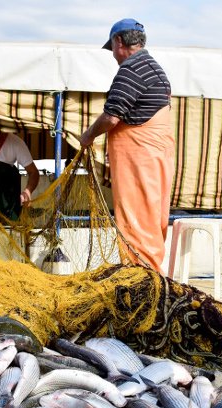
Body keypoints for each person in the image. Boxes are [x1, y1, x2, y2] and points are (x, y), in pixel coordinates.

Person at [79, 18, 175, 274]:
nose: (113, 55)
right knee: (152, 217)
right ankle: (148, 271)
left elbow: (112, 116)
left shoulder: (131, 69)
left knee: (137, 218)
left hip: (140, 156)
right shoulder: (156, 69)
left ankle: (141, 277)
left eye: (111, 48)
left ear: (119, 41)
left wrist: (88, 135)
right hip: (157, 154)